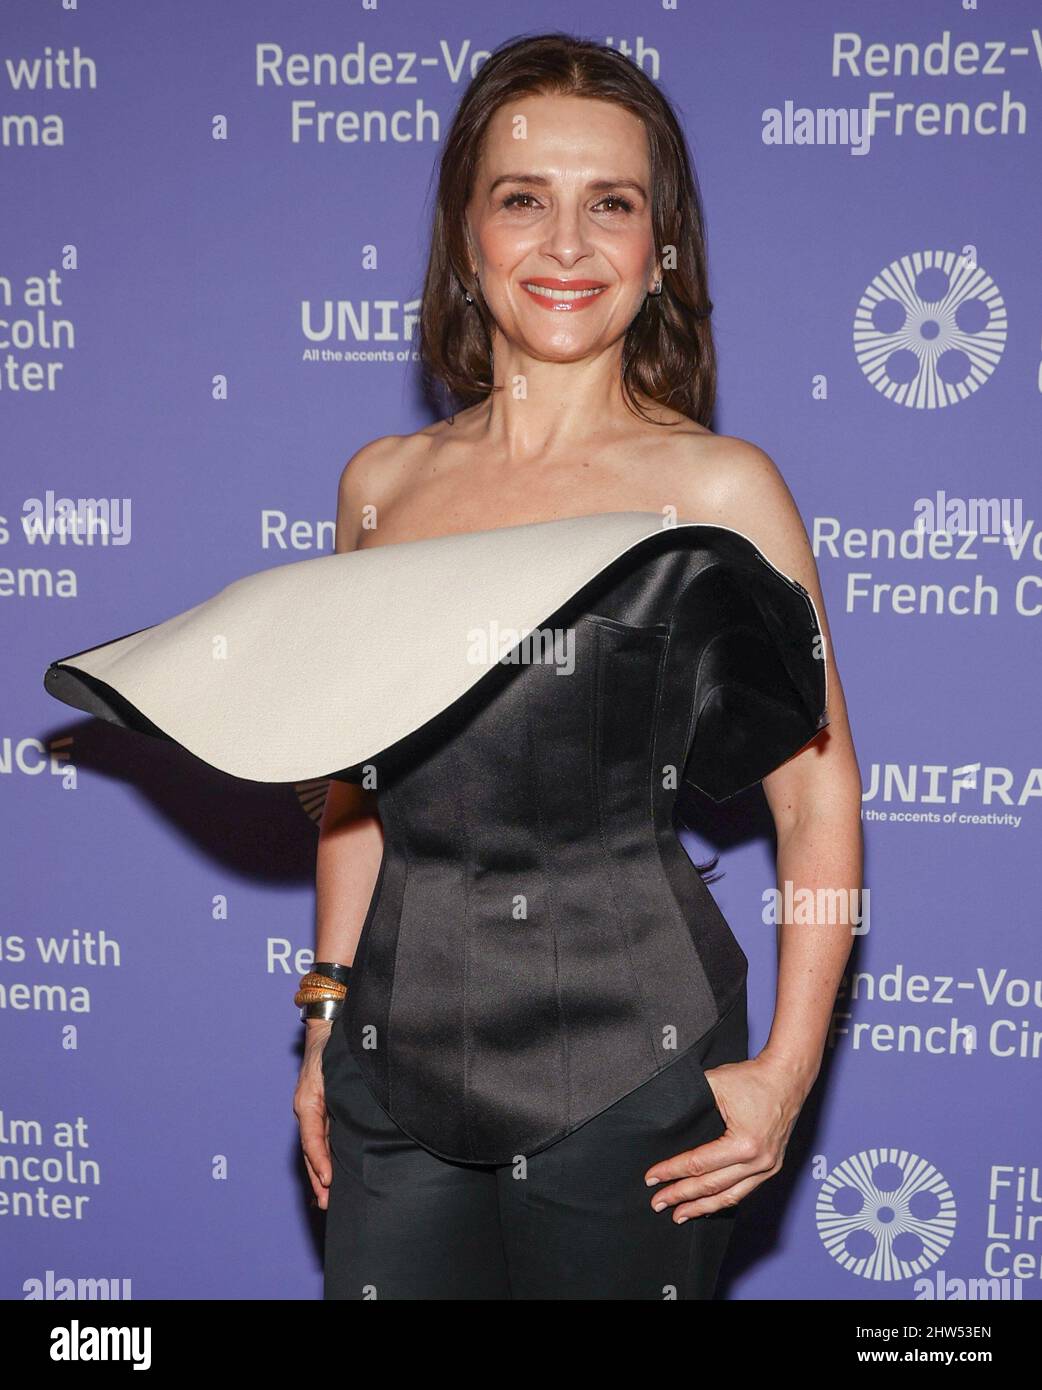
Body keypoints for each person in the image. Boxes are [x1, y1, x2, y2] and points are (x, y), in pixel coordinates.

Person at [44, 33, 862, 1301]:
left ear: (663, 253)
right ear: (466, 239)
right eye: (522, 200)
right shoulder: (383, 486)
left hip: (638, 1067)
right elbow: (357, 790)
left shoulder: (718, 487)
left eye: (613, 205)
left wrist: (792, 1066)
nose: (567, 244)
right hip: (393, 1060)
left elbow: (814, 796)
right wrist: (322, 1020)